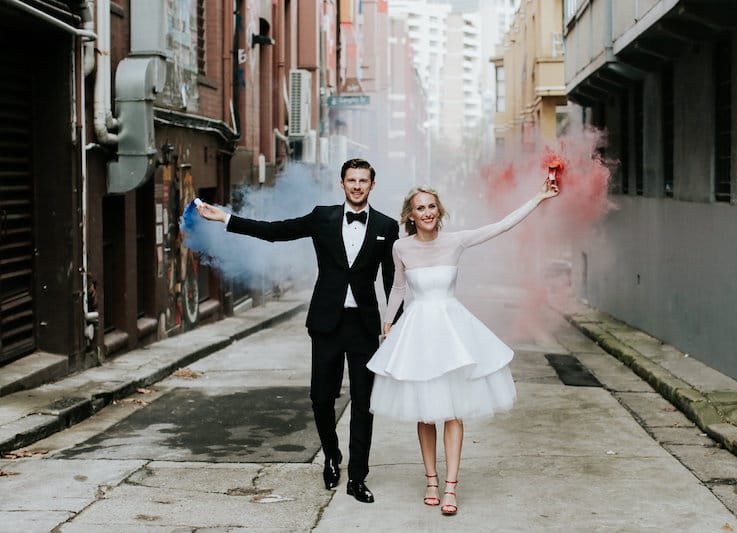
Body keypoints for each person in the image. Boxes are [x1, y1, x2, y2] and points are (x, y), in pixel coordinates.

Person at [196, 158, 399, 504]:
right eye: (351, 180)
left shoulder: (386, 226)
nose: (357, 186)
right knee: (321, 398)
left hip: (364, 326)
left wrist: (396, 321)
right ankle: (332, 455)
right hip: (326, 323)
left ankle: (357, 479)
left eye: (363, 180)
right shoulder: (322, 217)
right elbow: (277, 232)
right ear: (342, 183)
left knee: (364, 404)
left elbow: (393, 279)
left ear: (372, 185)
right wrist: (227, 219)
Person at [367, 177, 559, 515]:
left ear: (438, 210)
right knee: (424, 412)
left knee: (452, 412)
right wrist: (387, 322)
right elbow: (397, 287)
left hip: (452, 331)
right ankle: (431, 480)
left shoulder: (456, 241)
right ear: (410, 215)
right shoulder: (402, 247)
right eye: (419, 208)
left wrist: (540, 196)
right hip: (418, 332)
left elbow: (502, 226)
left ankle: (451, 488)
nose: (426, 212)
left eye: (431, 206)